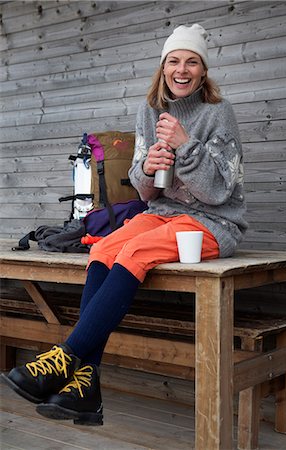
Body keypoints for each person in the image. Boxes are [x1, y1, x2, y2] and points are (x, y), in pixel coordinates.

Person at [2, 24, 247, 426]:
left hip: (214, 221)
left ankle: (65, 357)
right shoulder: (149, 110)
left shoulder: (218, 113)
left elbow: (220, 192)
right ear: (163, 67)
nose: (181, 70)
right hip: (161, 214)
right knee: (103, 248)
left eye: (192, 62)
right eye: (174, 61)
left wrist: (185, 145)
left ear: (203, 71)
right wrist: (147, 170)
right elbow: (146, 191)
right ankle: (86, 386)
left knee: (135, 251)